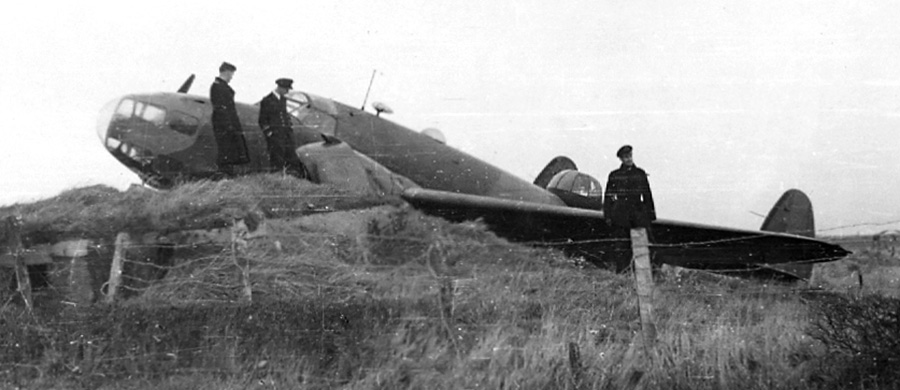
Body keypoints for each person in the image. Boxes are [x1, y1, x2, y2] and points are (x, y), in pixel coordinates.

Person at [603, 145, 656, 270]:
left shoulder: (640, 174)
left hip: (637, 213)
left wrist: (650, 214)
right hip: (620, 214)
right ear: (621, 159)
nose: (628, 159)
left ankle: (642, 272)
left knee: (640, 245)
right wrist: (608, 215)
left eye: (630, 156)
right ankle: (622, 272)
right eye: (625, 157)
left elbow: (647, 195)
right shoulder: (615, 175)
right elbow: (608, 196)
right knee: (621, 246)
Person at [258, 78, 306, 178]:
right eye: (286, 89)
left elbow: (284, 116)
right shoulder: (267, 100)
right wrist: (270, 134)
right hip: (276, 135)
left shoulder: (282, 100)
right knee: (277, 158)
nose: (287, 92)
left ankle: (290, 177)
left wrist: (289, 129)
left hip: (286, 134)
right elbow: (262, 120)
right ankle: (277, 179)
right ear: (280, 87)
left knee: (291, 156)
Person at [209, 62, 250, 175]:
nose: (232, 77)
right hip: (224, 125)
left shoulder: (220, 86)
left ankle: (228, 174)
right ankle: (224, 174)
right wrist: (229, 125)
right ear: (226, 72)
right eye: (231, 74)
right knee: (226, 150)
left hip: (228, 123)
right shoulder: (217, 86)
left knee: (230, 151)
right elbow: (220, 108)